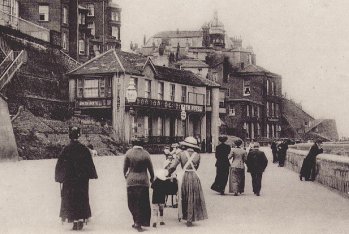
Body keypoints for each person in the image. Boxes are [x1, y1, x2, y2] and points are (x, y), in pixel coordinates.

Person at [55, 126, 98, 231]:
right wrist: (91, 174)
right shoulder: (84, 149)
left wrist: (59, 177)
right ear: (79, 135)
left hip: (69, 181)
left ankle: (74, 221)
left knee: (70, 199)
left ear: (70, 136)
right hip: (81, 180)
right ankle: (80, 221)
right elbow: (89, 164)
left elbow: (60, 165)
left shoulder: (66, 150)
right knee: (81, 198)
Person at [168, 136, 208, 227]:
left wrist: (168, 172)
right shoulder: (197, 155)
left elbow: (173, 166)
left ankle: (185, 216)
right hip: (194, 176)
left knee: (184, 196)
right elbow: (197, 167)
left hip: (185, 176)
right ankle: (191, 217)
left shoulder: (180, 154)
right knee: (193, 196)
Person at [123, 138, 155, 232]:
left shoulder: (128, 153)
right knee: (142, 203)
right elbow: (151, 169)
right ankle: (138, 222)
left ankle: (136, 221)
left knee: (132, 203)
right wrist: (152, 178)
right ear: (142, 144)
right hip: (143, 182)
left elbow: (124, 169)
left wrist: (127, 177)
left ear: (133, 144)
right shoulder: (146, 154)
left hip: (131, 181)